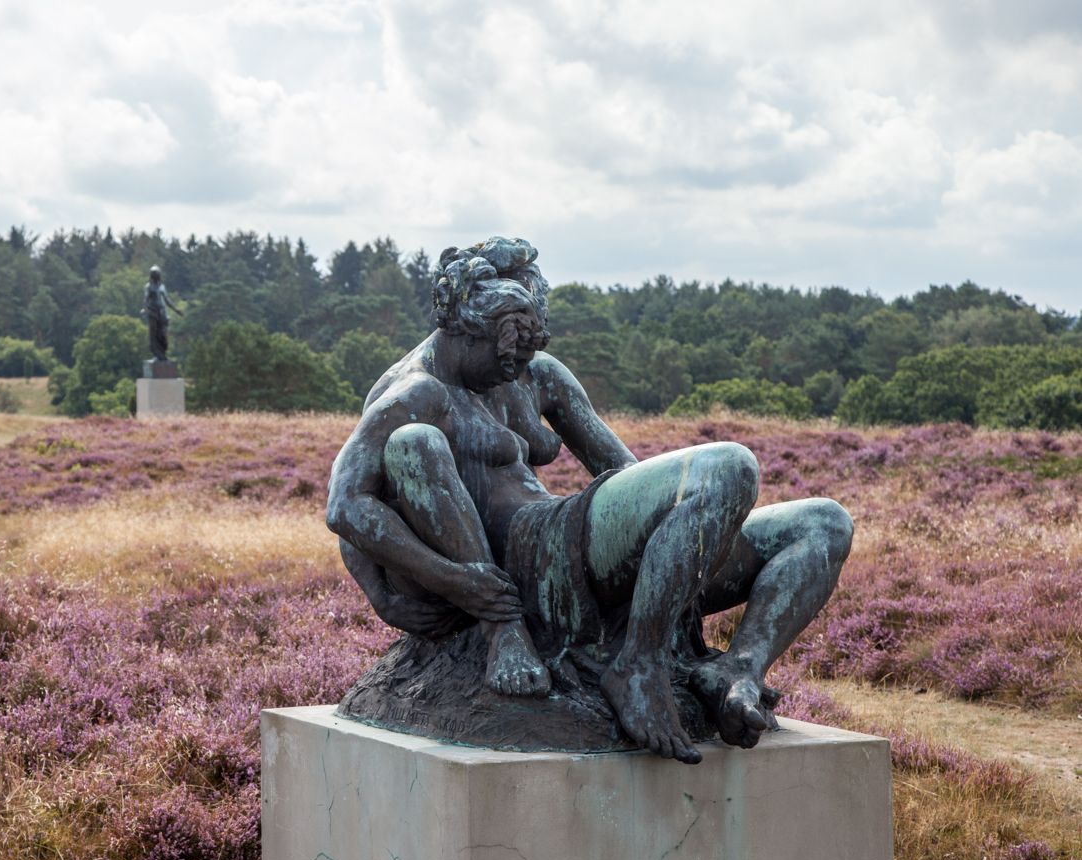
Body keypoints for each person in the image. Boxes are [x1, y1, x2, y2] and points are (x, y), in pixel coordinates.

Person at [326, 237, 853, 764]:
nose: (516, 370)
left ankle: (738, 668)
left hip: (574, 542)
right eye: (506, 355)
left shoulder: (538, 374)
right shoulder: (414, 394)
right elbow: (347, 505)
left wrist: (681, 537)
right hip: (531, 553)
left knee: (822, 524)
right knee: (731, 465)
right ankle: (636, 666)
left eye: (527, 353)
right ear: (465, 329)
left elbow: (624, 472)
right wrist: (437, 582)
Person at [141, 266, 183, 362]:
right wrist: (145, 309)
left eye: (157, 274)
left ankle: (162, 354)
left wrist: (176, 310)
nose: (156, 276)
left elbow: (167, 300)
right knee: (154, 335)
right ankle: (157, 355)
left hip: (162, 313)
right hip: (153, 313)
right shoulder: (148, 286)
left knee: (163, 335)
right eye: (154, 274)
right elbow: (146, 299)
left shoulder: (162, 287)